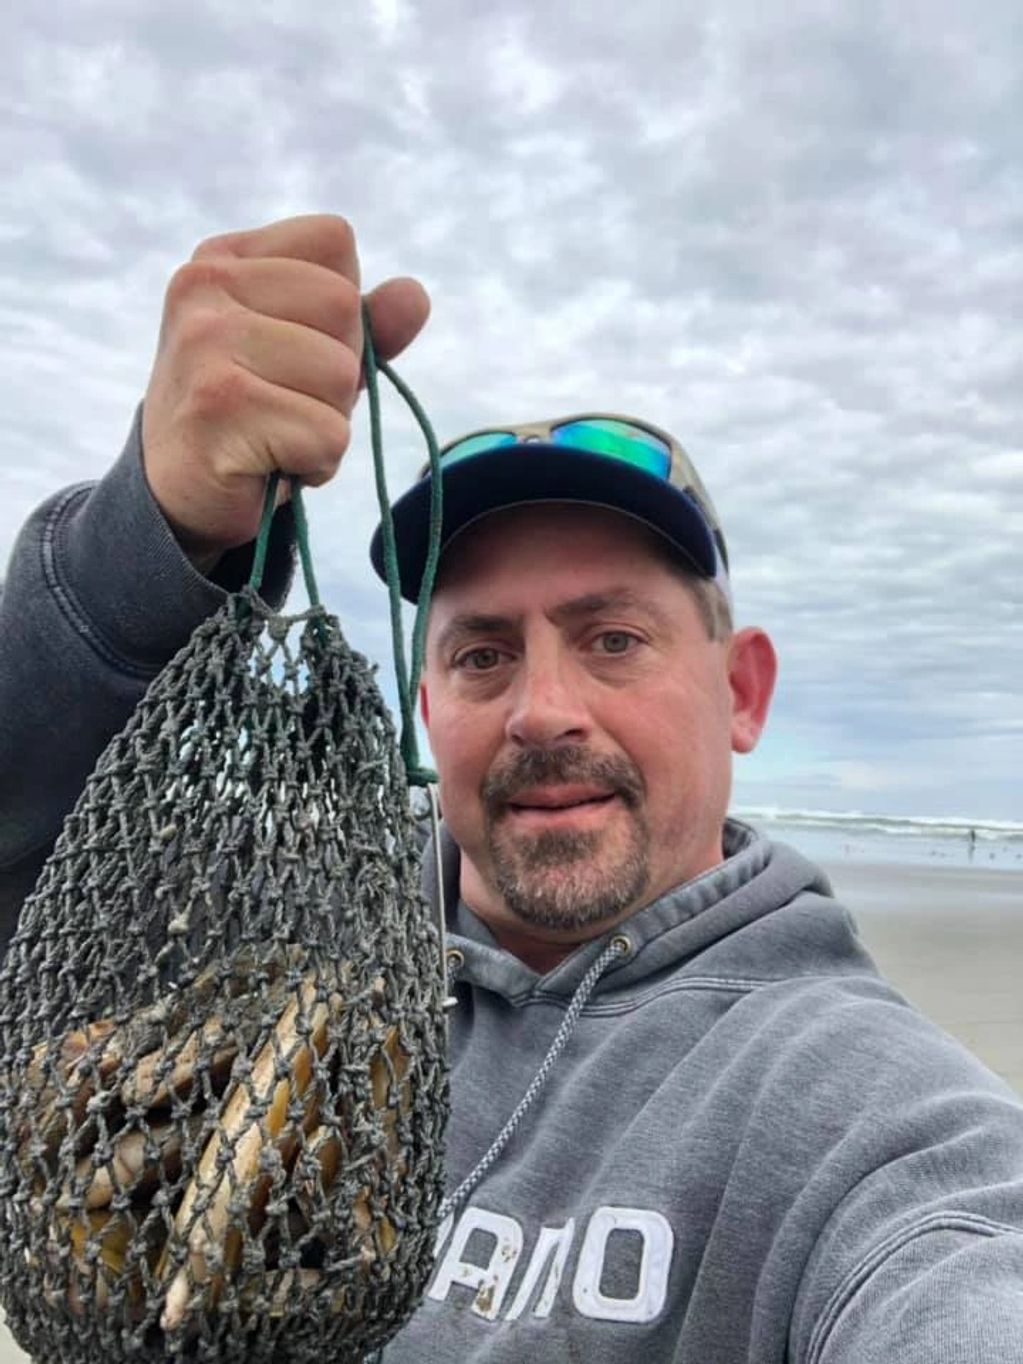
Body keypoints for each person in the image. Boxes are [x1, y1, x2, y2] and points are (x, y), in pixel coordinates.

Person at [1, 214, 1022, 1363]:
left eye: (615, 638)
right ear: (430, 709)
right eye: (483, 652)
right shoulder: (266, 961)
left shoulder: (866, 1118)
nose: (541, 709)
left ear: (741, 689)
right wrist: (145, 545)